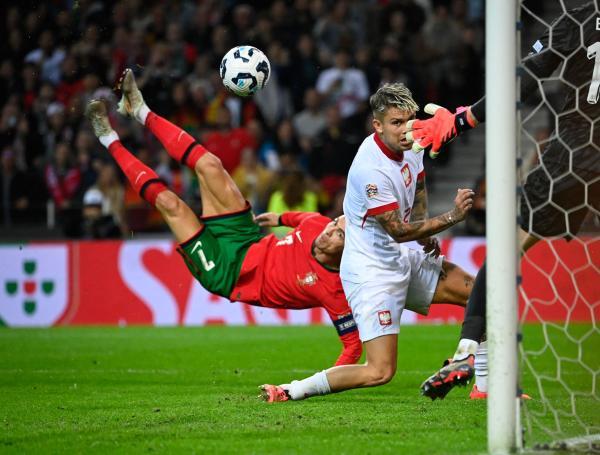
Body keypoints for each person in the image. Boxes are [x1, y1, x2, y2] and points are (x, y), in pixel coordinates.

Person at [85, 68, 360, 366]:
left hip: (226, 274)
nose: (330, 230)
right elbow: (304, 218)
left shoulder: (333, 289)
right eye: (335, 223)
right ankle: (139, 109)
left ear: (345, 253)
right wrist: (279, 219)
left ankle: (108, 138)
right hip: (247, 238)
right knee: (210, 165)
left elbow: (352, 349)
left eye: (339, 234)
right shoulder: (319, 224)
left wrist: (317, 384)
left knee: (171, 204)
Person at [408, 0, 600, 400]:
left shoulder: (581, 14)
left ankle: (467, 351)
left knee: (505, 253)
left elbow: (527, 78)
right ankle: (481, 379)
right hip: (578, 153)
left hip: (574, 155)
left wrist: (463, 119)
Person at [259, 82, 476, 403]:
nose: (406, 131)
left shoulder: (414, 143)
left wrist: (425, 228)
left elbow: (418, 184)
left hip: (399, 258)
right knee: (380, 371)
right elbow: (398, 231)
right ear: (378, 125)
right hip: (371, 274)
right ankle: (291, 390)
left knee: (481, 294)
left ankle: (479, 384)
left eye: (409, 120)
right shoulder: (370, 168)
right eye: (396, 123)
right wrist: (451, 218)